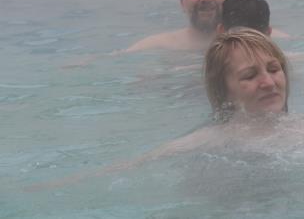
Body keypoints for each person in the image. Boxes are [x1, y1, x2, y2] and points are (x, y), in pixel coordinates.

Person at [28, 29, 290, 190]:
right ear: (224, 90)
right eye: (249, 75)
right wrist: (51, 186)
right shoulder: (209, 141)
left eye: (274, 69)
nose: (268, 83)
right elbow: (125, 169)